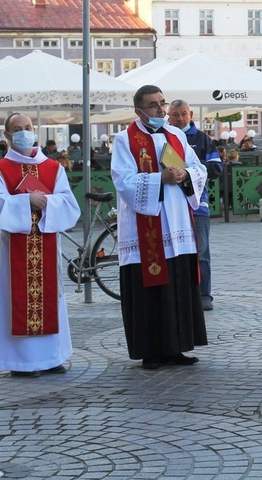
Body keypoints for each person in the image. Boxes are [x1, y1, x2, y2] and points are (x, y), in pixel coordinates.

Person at [110, 85, 209, 370]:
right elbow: (123, 180)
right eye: (153, 105)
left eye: (162, 104)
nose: (161, 110)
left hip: (177, 225)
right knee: (151, 290)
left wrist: (185, 174)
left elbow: (198, 168)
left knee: (177, 284)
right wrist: (159, 179)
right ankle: (151, 351)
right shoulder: (124, 140)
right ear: (139, 110)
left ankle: (177, 347)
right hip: (146, 228)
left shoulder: (176, 135)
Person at [0, 112, 81, 377]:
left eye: (27, 127)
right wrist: (25, 201)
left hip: (46, 242)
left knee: (51, 298)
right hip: (14, 246)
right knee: (14, 299)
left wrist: (48, 201)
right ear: (7, 135)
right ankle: (21, 362)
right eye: (17, 129)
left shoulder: (53, 167)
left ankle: (51, 358)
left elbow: (70, 205)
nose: (24, 132)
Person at [168, 99, 223, 312]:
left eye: (183, 114)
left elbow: (217, 167)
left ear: (190, 114)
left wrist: (193, 169)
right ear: (169, 116)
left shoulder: (202, 139)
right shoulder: (163, 138)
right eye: (175, 114)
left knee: (201, 252)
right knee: (173, 251)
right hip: (171, 206)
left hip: (198, 205)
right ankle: (177, 294)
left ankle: (203, 295)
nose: (180, 118)